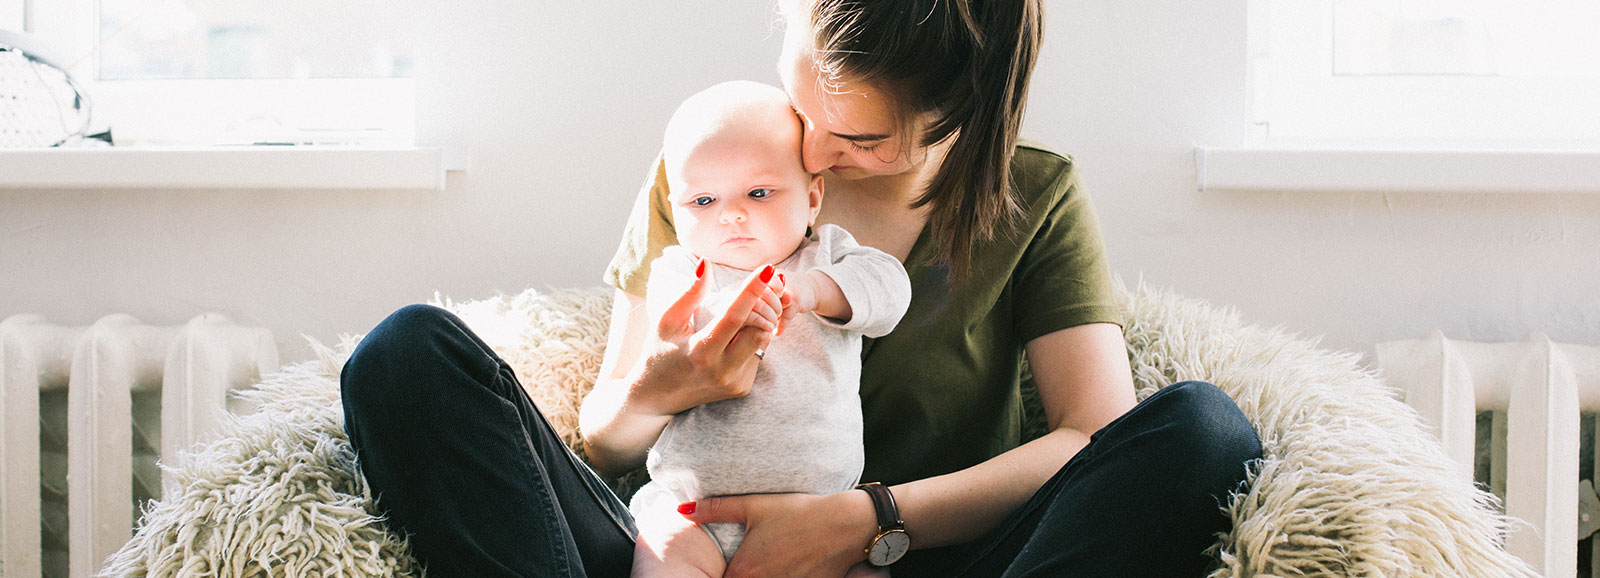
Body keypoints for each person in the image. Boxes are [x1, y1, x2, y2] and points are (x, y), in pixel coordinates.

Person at [339, 0, 1264, 576]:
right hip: (685, 550)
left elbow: (1091, 437)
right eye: (803, 105)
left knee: (1204, 433)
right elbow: (604, 445)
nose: (814, 154)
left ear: (962, 118)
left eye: (860, 140)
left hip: (922, 559)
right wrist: (663, 391)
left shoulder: (1034, 198)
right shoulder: (721, 171)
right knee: (403, 357)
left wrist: (866, 524)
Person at [626, 79, 910, 578]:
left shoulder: (829, 255)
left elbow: (891, 293)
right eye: (703, 201)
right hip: (694, 512)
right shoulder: (682, 270)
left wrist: (814, 290)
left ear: (813, 197)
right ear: (676, 210)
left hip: (822, 517)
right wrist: (711, 319)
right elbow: (671, 332)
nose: (732, 214)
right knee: (661, 555)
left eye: (759, 193)